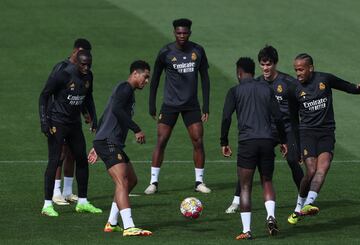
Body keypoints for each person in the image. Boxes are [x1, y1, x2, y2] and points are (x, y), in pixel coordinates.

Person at [225, 45, 304, 214]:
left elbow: (299, 108)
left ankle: (303, 198)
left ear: (275, 64)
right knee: (247, 164)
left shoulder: (288, 82)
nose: (266, 68)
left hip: (287, 129)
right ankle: (235, 201)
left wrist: (296, 140)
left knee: (292, 160)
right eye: (263, 64)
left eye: (269, 64)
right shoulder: (257, 83)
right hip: (267, 131)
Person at [287, 53, 360, 224]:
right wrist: (296, 146)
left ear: (310, 68)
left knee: (323, 168)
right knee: (311, 171)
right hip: (307, 133)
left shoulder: (324, 79)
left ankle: (308, 204)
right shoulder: (294, 89)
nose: (298, 73)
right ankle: (299, 206)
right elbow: (293, 120)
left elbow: (348, 87)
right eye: (296, 70)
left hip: (326, 133)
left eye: (301, 69)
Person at [220, 57, 287, 239]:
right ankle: (270, 215)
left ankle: (246, 230)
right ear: (253, 70)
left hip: (247, 142)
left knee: (245, 186)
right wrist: (283, 141)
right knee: (267, 181)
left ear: (239, 73)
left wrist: (224, 142)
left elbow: (226, 117)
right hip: (267, 141)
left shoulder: (235, 91)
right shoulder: (267, 89)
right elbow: (279, 117)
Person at [144, 18, 211, 194]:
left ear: (190, 33)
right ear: (174, 33)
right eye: (179, 33)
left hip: (191, 105)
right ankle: (153, 182)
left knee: (198, 140)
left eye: (185, 33)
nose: (182, 36)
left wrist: (206, 105)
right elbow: (155, 78)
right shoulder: (165, 52)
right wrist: (152, 104)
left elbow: (205, 77)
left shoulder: (198, 51)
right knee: (161, 140)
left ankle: (199, 182)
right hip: (170, 104)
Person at [88, 60, 152, 236]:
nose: (146, 81)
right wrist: (136, 128)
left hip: (108, 142)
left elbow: (106, 114)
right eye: (145, 77)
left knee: (131, 180)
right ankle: (129, 226)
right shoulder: (125, 88)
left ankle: (112, 222)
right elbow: (116, 109)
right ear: (135, 74)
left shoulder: (127, 91)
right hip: (108, 141)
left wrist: (96, 144)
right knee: (122, 181)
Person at [39, 50, 101, 216]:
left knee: (81, 159)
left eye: (89, 64)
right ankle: (47, 205)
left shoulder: (89, 77)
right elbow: (44, 96)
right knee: (54, 160)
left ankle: (82, 201)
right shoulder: (63, 75)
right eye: (83, 64)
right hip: (57, 123)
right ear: (76, 63)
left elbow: (88, 98)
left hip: (74, 124)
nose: (86, 67)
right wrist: (44, 121)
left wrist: (94, 117)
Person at [47, 38, 95, 206]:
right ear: (74, 51)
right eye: (79, 52)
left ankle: (68, 191)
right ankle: (56, 191)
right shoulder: (62, 68)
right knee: (59, 153)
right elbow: (51, 94)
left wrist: (85, 113)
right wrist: (48, 118)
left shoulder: (84, 70)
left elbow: (81, 93)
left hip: (73, 118)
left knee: (72, 154)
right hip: (59, 118)